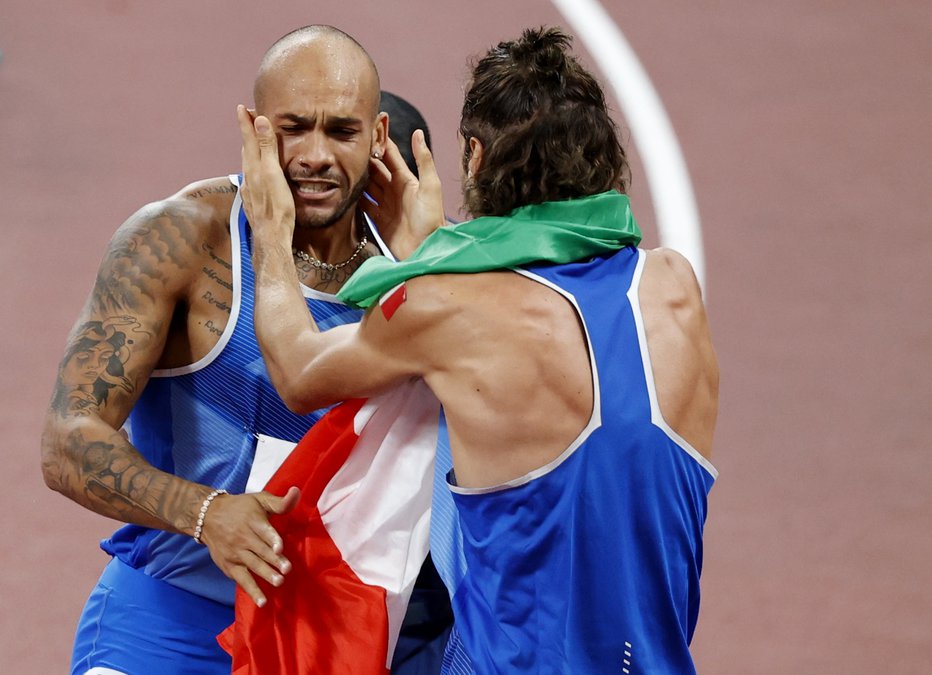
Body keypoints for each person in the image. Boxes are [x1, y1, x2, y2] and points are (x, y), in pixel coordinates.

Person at [242, 26, 719, 674]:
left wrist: (270, 231)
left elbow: (298, 371)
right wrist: (436, 251)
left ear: (474, 155)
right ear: (604, 158)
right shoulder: (673, 289)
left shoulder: (447, 307)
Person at [41, 25, 443, 674]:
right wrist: (207, 514)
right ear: (254, 126)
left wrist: (431, 267)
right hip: (178, 613)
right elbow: (68, 437)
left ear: (377, 136)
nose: (315, 155)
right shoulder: (180, 240)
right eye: (293, 127)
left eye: (341, 131)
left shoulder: (427, 261)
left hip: (346, 631)